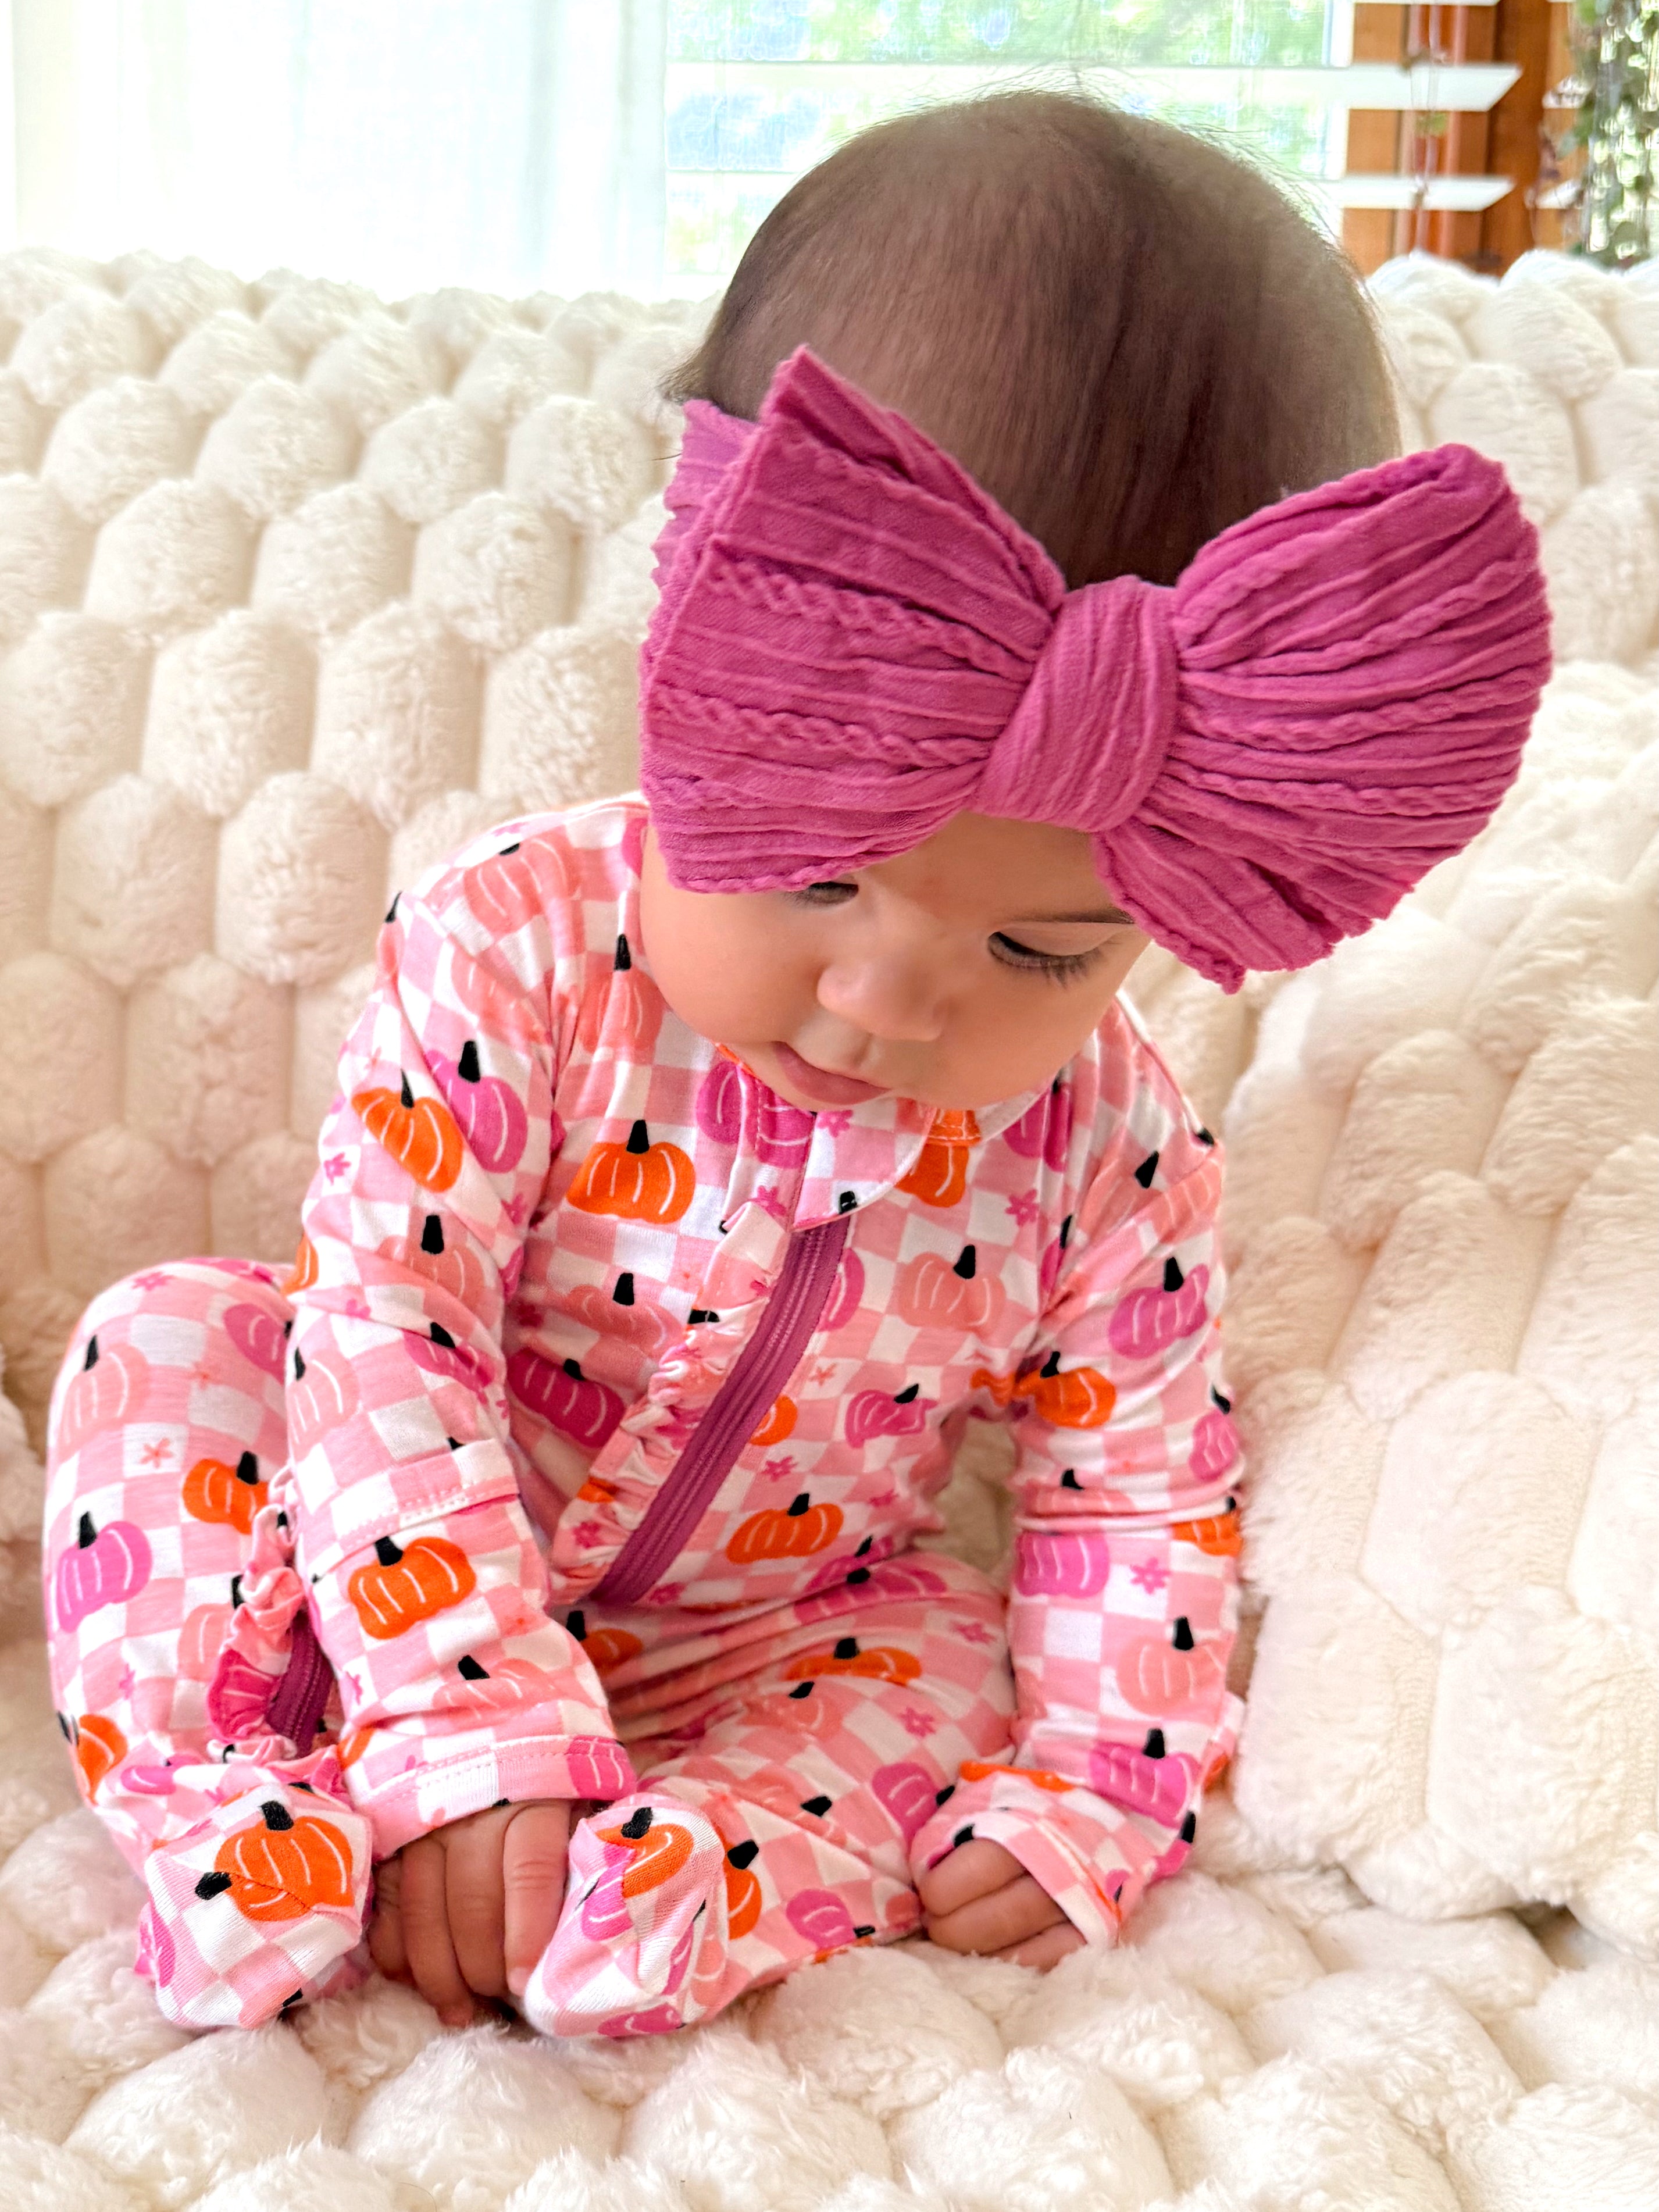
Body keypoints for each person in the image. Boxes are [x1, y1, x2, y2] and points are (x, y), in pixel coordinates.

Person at [41, 92, 1550, 2036]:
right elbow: (389, 1327)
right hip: (387, 1545)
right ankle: (232, 1801)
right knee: (167, 1345)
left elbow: (1133, 1498)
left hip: (785, 1617)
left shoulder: (1117, 1151)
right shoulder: (510, 943)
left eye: (1041, 946)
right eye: (825, 869)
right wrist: (463, 1712)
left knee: (940, 1664)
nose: (894, 997)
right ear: (688, 659)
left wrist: (1100, 1775)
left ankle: (677, 1883)